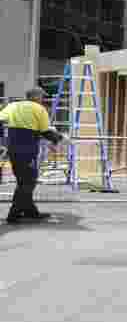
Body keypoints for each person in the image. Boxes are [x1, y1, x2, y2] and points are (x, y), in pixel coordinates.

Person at [0, 89, 64, 223]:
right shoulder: (39, 109)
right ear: (35, 97)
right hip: (27, 149)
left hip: (12, 148)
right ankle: (13, 214)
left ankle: (30, 211)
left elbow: (1, 120)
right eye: (42, 96)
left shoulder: (13, 105)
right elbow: (46, 132)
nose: (43, 99)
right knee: (28, 181)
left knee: (23, 181)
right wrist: (59, 138)